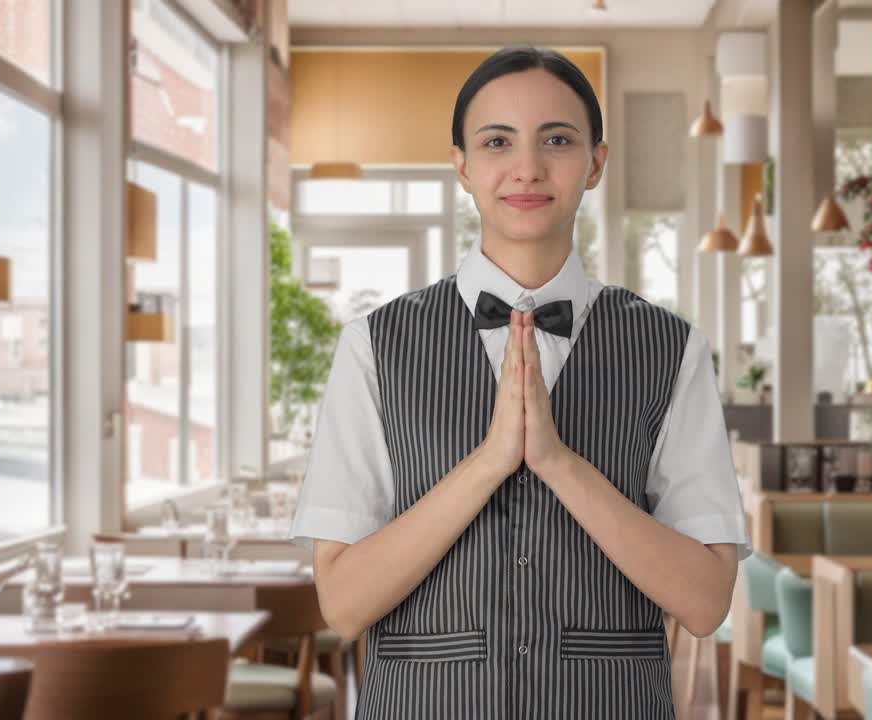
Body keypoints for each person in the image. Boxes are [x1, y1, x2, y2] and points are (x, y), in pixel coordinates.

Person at [289, 44, 752, 720]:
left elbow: (707, 602)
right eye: (498, 141)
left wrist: (561, 464)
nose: (527, 168)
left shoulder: (671, 349)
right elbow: (344, 604)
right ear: (463, 167)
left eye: (557, 140)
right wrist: (488, 464)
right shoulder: (372, 347)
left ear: (595, 162)